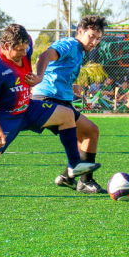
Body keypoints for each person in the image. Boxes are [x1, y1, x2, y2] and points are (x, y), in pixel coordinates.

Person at [0, 24, 100, 197]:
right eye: (20, 50)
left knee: (67, 115)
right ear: (6, 46)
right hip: (5, 118)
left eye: (26, 48)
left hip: (28, 108)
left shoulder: (25, 45)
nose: (25, 54)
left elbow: (40, 57)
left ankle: (74, 165)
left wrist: (38, 76)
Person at [31, 15, 106, 193]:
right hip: (49, 100)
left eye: (98, 39)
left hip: (58, 100)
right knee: (92, 131)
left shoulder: (78, 51)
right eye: (92, 36)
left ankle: (67, 177)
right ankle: (85, 181)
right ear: (80, 31)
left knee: (82, 137)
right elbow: (44, 56)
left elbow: (56, 71)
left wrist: (70, 86)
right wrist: (39, 77)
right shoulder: (71, 44)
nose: (94, 42)